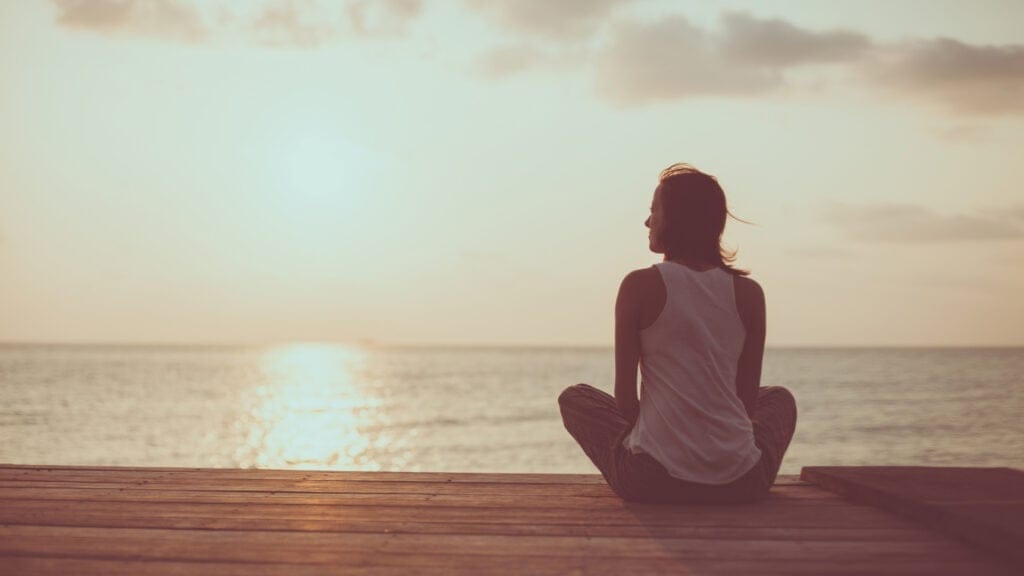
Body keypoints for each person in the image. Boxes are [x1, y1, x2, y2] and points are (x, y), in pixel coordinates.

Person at [558, 163, 797, 504]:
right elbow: (744, 404)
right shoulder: (749, 294)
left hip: (653, 481)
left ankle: (661, 450)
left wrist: (664, 433)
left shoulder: (638, 285)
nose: (647, 222)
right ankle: (703, 461)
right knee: (779, 399)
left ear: (676, 219)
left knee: (575, 397)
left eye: (654, 211)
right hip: (742, 482)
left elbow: (625, 402)